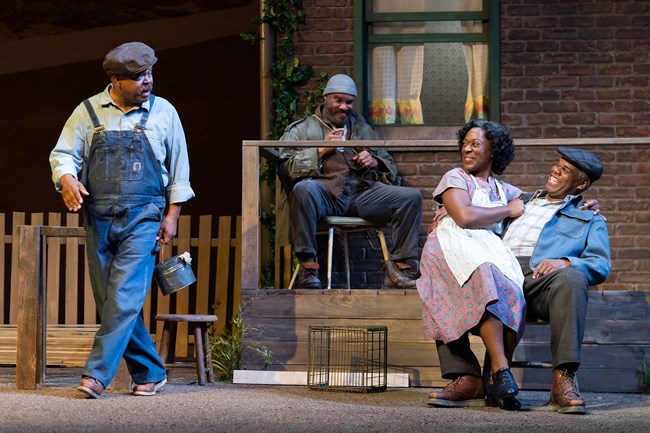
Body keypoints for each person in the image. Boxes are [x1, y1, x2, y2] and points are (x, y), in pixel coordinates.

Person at [49, 42, 195, 398]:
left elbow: (179, 169)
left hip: (144, 217)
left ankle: (96, 374)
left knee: (125, 296)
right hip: (98, 217)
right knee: (110, 301)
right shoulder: (87, 112)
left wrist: (172, 215)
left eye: (149, 73)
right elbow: (63, 154)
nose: (147, 81)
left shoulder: (164, 112)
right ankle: (150, 371)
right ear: (115, 80)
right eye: (137, 77)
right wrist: (67, 178)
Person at [430, 146, 610, 414]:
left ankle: (563, 380)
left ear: (581, 183)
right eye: (557, 165)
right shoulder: (519, 199)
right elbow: (474, 208)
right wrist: (444, 219)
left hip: (541, 283)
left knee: (573, 278)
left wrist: (566, 262)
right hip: (497, 270)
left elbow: (600, 264)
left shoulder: (588, 217)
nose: (555, 171)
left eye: (565, 170)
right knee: (442, 271)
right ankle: (467, 377)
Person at [417, 119, 526, 411]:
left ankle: (491, 380)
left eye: (475, 144)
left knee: (510, 290)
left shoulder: (502, 189)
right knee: (485, 277)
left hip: (486, 249)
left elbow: (539, 201)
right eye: (465, 143)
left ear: (493, 151)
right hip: (451, 245)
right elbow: (463, 215)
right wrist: (507, 211)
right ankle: (497, 372)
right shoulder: (455, 177)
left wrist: (582, 204)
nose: (467, 148)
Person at [277, 74, 423, 290]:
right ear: (325, 98)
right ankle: (308, 267)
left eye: (349, 102)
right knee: (303, 189)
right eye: (338, 100)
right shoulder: (302, 129)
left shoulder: (362, 129)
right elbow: (284, 168)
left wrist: (373, 161)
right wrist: (319, 151)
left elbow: (389, 166)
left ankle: (399, 269)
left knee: (410, 197)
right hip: (324, 193)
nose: (344, 107)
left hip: (361, 195)